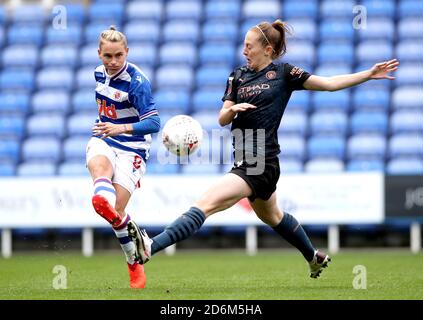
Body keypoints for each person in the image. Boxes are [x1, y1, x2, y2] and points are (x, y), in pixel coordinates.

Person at [130, 20, 398, 278]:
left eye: (249, 46)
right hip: (246, 160)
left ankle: (151, 246)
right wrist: (232, 109)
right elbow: (222, 119)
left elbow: (328, 84)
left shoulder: (284, 74)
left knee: (205, 204)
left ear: (267, 49)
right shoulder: (237, 75)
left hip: (261, 162)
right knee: (273, 216)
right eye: (244, 45)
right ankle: (312, 257)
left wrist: (368, 74)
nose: (244, 50)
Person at [86, 26, 160, 288]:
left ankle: (133, 261)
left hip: (133, 149)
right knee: (99, 180)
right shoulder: (98, 73)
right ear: (99, 54)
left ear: (127, 52)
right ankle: (130, 234)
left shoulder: (137, 82)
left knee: (115, 211)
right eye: (108, 56)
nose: (113, 61)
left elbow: (154, 123)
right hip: (105, 139)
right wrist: (111, 128)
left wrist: (121, 127)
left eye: (119, 55)